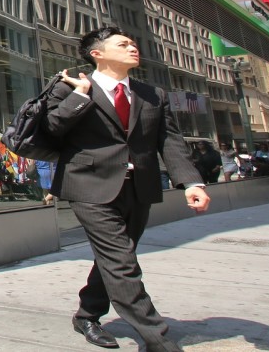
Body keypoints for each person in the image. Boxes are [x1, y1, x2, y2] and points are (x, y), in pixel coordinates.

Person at [47, 26, 208, 352]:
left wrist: (191, 182)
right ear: (97, 53)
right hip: (89, 187)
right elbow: (51, 129)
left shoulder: (153, 94)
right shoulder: (71, 86)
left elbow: (169, 141)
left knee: (117, 257)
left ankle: (87, 315)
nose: (133, 47)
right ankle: (159, 340)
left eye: (133, 43)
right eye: (123, 44)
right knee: (121, 262)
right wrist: (80, 96)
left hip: (139, 187)